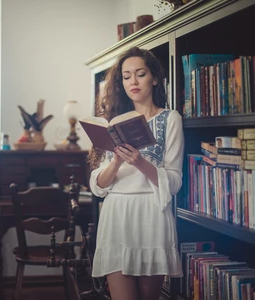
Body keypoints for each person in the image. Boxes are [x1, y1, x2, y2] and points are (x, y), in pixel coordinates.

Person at [88, 46, 184, 300]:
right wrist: (116, 162)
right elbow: (98, 186)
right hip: (116, 213)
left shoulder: (170, 119)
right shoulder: (112, 122)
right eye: (127, 76)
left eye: (140, 74)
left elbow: (174, 182)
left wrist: (140, 162)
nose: (133, 81)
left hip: (151, 214)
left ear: (154, 77)